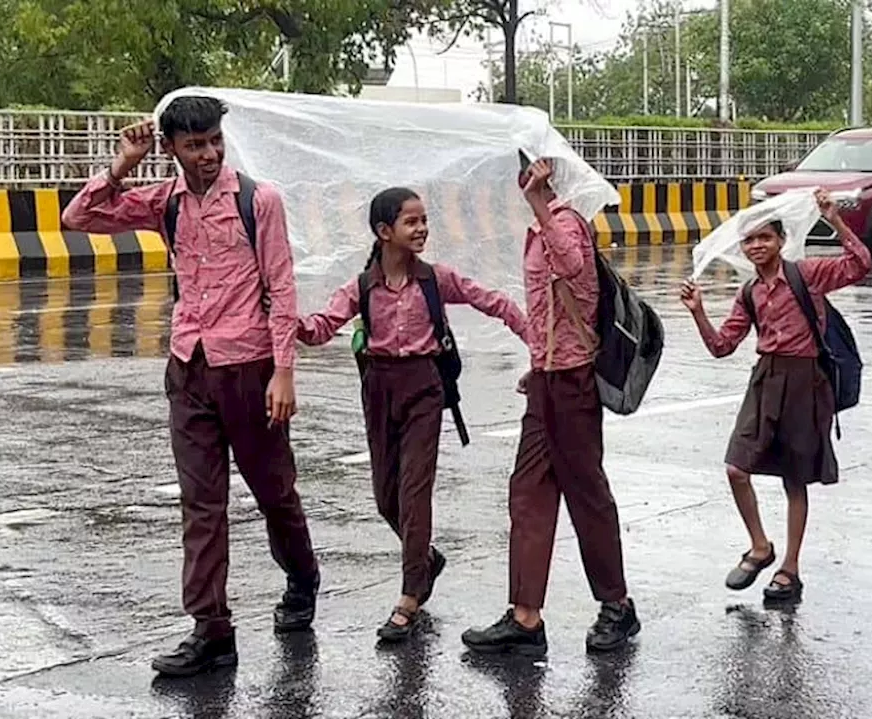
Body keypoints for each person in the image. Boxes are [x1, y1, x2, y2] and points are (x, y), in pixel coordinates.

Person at [61, 96, 320, 676]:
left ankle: (302, 576)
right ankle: (212, 630)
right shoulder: (165, 203)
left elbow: (281, 289)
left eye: (214, 142)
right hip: (188, 368)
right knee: (202, 503)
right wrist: (122, 164)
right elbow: (77, 219)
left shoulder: (259, 201)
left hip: (250, 370)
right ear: (172, 149)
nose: (207, 154)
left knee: (274, 492)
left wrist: (283, 372)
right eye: (194, 145)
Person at [296, 187, 529, 642]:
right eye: (411, 222)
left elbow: (494, 301)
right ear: (385, 232)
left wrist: (536, 340)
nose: (421, 229)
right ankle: (426, 558)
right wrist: (285, 318)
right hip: (379, 390)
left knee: (414, 491)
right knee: (387, 499)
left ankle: (409, 597)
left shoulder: (434, 280)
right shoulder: (362, 286)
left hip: (424, 388)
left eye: (424, 220)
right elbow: (320, 328)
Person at [461, 157, 639, 657]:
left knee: (586, 494)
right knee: (528, 492)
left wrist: (538, 200)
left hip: (574, 383)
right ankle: (525, 616)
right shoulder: (539, 227)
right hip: (547, 380)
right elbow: (550, 310)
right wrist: (537, 364)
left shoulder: (564, 223)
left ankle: (618, 606)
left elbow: (573, 268)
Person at [678, 188, 871, 603]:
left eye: (765, 237)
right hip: (765, 380)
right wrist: (697, 311)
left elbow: (860, 264)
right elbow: (721, 346)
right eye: (749, 240)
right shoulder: (748, 293)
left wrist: (834, 219)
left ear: (781, 241)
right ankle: (760, 546)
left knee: (794, 478)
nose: (757, 246)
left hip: (806, 381)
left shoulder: (807, 275)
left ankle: (790, 568)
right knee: (736, 468)